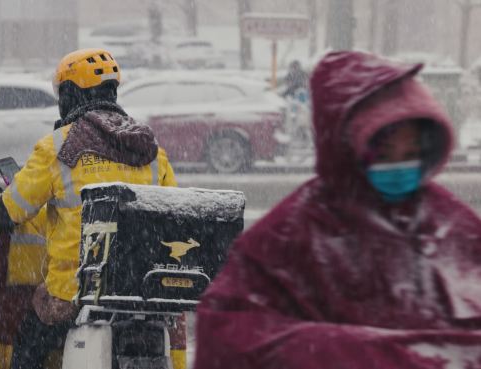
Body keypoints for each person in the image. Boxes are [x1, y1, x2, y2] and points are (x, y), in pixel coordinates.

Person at [195, 51, 481, 369]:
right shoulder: (291, 234)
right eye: (385, 152)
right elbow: (228, 335)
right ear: (348, 146)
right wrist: (366, 354)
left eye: (413, 151)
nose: (400, 165)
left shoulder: (451, 222)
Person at [0, 48, 178, 369]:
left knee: (28, 344)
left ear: (71, 94)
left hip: (76, 292)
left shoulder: (58, 146)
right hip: (142, 292)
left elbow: (11, 212)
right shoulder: (151, 151)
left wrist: (2, 204)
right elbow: (174, 214)